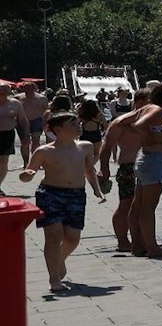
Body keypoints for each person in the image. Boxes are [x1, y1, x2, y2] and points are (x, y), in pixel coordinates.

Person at [20, 112, 104, 292]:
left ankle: (59, 261)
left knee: (72, 238)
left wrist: (97, 189)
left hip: (76, 195)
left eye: (78, 122)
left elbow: (89, 170)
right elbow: (28, 173)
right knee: (53, 236)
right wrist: (26, 175)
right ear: (58, 130)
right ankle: (54, 279)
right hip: (50, 194)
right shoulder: (44, 151)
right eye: (73, 124)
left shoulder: (85, 147)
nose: (78, 125)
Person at [126, 82, 162, 257]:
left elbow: (137, 124)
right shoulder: (156, 110)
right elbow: (139, 126)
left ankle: (138, 244)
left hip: (149, 159)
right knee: (148, 206)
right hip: (154, 161)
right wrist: (152, 140)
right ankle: (152, 247)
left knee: (139, 204)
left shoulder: (150, 108)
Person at [97, 88, 149, 252]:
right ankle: (122, 241)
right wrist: (104, 170)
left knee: (144, 205)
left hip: (148, 167)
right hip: (128, 167)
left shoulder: (151, 121)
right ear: (140, 102)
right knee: (126, 205)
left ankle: (140, 239)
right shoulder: (121, 122)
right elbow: (106, 147)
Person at [0, 84, 20, 194]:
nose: (2, 90)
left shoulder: (15, 104)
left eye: (5, 89)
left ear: (10, 91)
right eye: (0, 88)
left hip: (7, 135)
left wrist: (25, 135)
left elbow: (22, 120)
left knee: (3, 162)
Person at [19, 82, 50, 156]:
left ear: (34, 89)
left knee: (36, 140)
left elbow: (47, 110)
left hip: (37, 120)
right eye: (25, 88)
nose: (27, 90)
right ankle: (26, 162)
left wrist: (46, 122)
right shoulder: (19, 98)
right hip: (23, 121)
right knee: (25, 142)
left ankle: (35, 159)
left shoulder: (41, 98)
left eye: (29, 88)